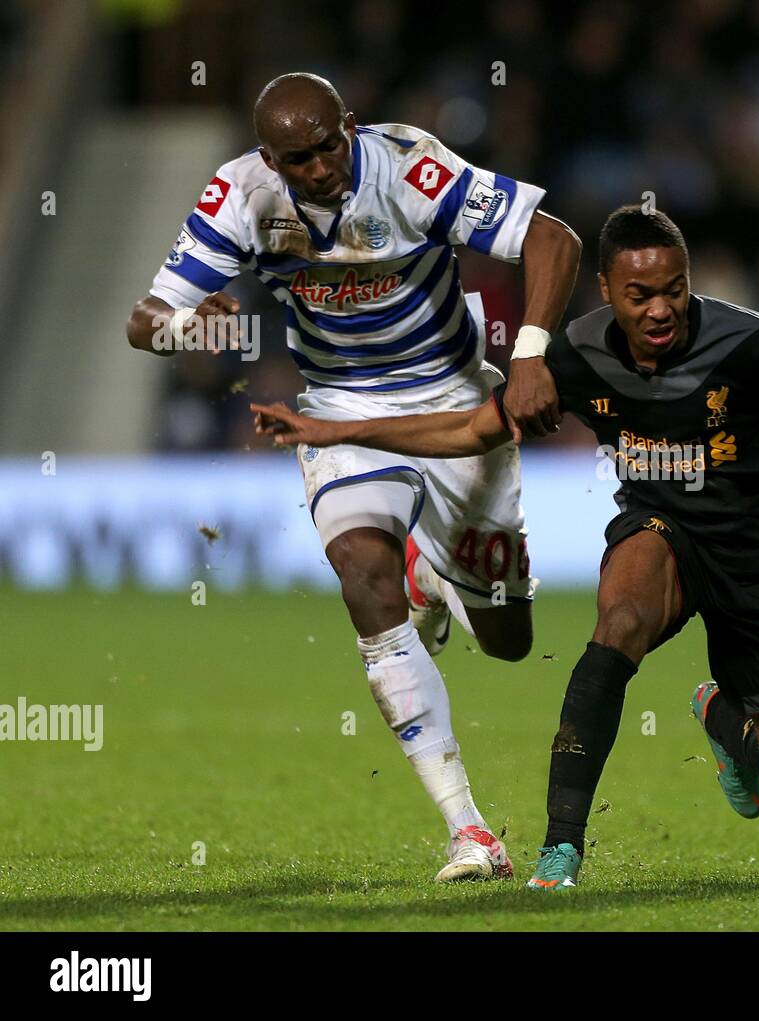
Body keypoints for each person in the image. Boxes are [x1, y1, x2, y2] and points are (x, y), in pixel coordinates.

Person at [250, 205, 759, 892]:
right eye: (641, 295)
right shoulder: (577, 356)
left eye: (675, 288)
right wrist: (339, 432)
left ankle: (720, 714)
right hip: (663, 530)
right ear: (607, 288)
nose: (661, 309)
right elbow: (472, 430)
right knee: (619, 623)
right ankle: (561, 849)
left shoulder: (753, 346)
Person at [126, 72, 582, 882]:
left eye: (330, 146)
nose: (319, 168)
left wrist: (534, 352)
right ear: (271, 157)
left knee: (510, 641)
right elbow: (145, 323)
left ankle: (437, 578)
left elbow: (555, 238)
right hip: (338, 414)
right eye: (297, 158)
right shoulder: (240, 193)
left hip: (458, 405)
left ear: (352, 127)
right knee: (361, 576)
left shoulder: (410, 168)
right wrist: (193, 327)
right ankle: (469, 830)